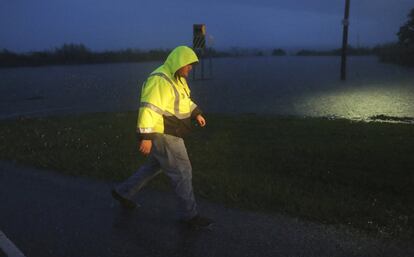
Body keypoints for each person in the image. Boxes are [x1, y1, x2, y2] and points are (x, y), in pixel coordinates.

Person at [112, 46, 213, 229]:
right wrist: (146, 137)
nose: (190, 69)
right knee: (183, 171)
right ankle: (190, 216)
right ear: (179, 62)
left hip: (169, 132)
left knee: (153, 166)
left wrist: (196, 113)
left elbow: (184, 101)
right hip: (165, 133)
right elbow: (149, 107)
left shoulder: (177, 79)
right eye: (188, 65)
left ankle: (123, 192)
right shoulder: (160, 79)